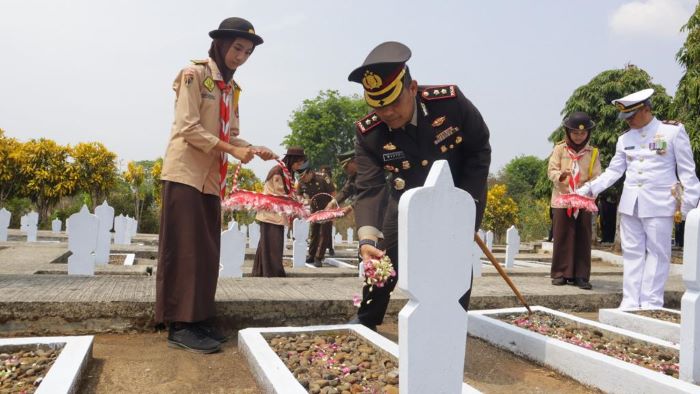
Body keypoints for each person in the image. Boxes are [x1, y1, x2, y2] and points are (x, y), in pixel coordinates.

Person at [347, 41, 491, 330]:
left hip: (456, 195)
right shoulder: (369, 133)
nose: (386, 112)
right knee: (384, 258)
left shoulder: (449, 103)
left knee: (454, 262)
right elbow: (370, 187)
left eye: (393, 102)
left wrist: (467, 206)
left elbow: (479, 148)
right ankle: (366, 318)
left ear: (412, 88)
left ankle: (451, 324)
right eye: (377, 104)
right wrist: (366, 239)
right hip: (404, 200)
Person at [157, 17, 275, 353]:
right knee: (185, 250)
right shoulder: (194, 75)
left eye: (248, 52)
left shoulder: (231, 89)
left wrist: (252, 149)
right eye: (238, 48)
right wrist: (233, 149)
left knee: (207, 253)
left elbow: (231, 135)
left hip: (211, 179)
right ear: (221, 44)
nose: (241, 57)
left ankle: (198, 318)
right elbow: (189, 128)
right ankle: (180, 324)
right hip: (185, 174)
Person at [578, 88, 700, 309]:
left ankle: (651, 302)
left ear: (646, 109)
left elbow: (687, 172)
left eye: (632, 116)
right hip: (630, 205)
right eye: (625, 118)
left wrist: (689, 207)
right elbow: (614, 172)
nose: (628, 122)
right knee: (632, 254)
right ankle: (630, 301)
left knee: (657, 254)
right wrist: (588, 189)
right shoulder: (625, 139)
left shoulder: (672, 132)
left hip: (660, 204)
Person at [547, 112, 601, 290]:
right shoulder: (560, 149)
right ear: (568, 132)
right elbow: (551, 170)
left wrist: (588, 189)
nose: (579, 136)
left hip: (583, 201)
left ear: (588, 134)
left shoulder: (593, 152)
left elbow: (597, 176)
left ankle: (581, 275)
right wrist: (562, 175)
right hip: (562, 199)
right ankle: (561, 273)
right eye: (575, 133)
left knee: (583, 237)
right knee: (563, 236)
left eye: (583, 133)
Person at [253, 147, 307, 277]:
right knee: (273, 244)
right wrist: (295, 201)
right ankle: (272, 272)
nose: (298, 167)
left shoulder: (286, 172)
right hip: (270, 213)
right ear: (292, 160)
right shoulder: (278, 172)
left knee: (267, 244)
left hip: (276, 214)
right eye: (298, 163)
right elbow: (279, 192)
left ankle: (262, 271)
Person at [297, 166, 335, 267]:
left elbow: (333, 193)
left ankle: (319, 257)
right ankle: (311, 255)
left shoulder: (322, 178)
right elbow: (299, 197)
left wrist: (332, 206)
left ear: (310, 172)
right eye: (301, 177)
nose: (303, 179)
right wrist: (304, 201)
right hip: (314, 211)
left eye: (304, 176)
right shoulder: (301, 182)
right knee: (314, 233)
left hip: (327, 210)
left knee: (324, 233)